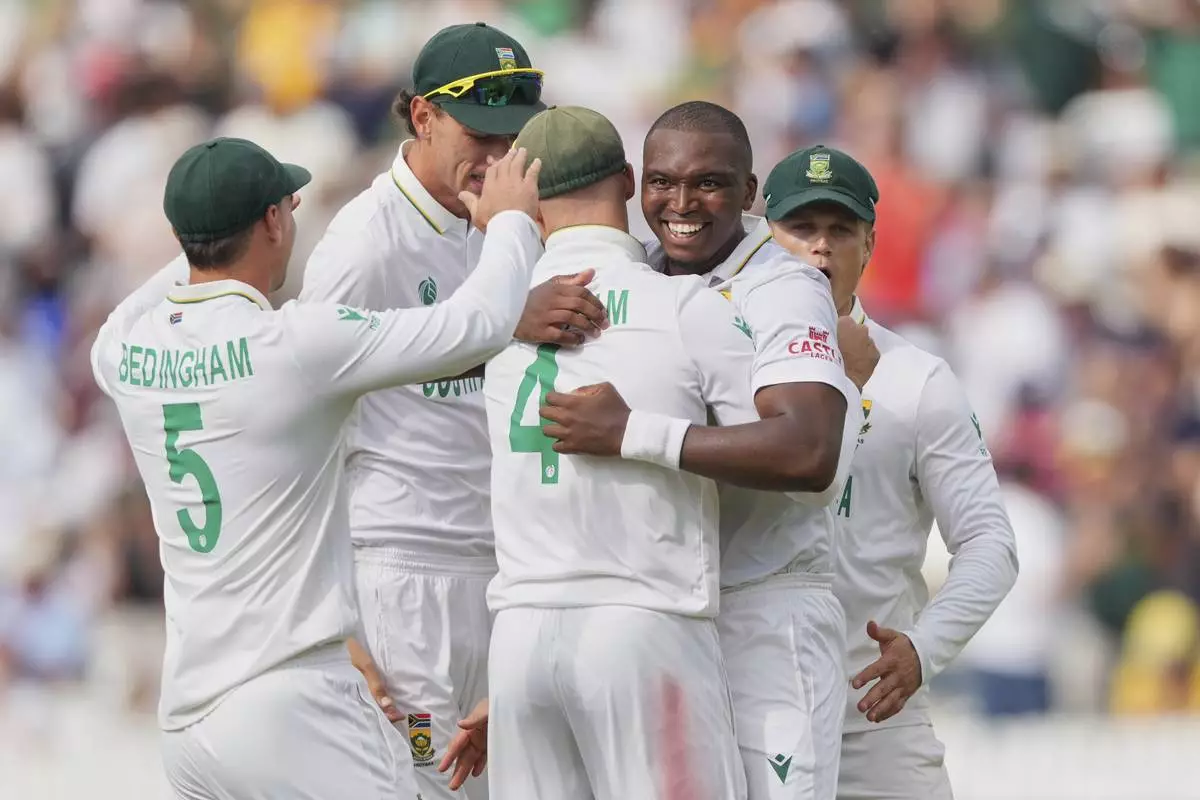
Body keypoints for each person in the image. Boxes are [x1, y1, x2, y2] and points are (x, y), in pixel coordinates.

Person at [90, 137, 545, 799]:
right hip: (292, 698)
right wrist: (508, 221)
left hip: (189, 718)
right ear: (275, 222)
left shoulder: (123, 354)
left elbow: (124, 313)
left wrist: (206, 234)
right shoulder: (295, 344)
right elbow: (477, 325)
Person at [299, 22, 606, 799]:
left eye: (516, 138)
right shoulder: (366, 245)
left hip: (508, 569)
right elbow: (301, 421)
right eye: (482, 136)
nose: (502, 159)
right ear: (422, 117)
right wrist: (336, 627)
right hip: (405, 574)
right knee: (426, 786)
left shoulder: (517, 218)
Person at [539, 103, 875, 800]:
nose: (682, 204)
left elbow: (811, 453)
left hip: (766, 612)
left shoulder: (785, 287)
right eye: (663, 183)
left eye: (709, 184)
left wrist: (633, 433)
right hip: (660, 618)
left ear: (750, 193)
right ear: (637, 187)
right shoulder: (637, 278)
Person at [761, 145, 1019, 800]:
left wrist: (923, 650)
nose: (820, 248)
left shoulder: (916, 380)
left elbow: (990, 544)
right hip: (751, 703)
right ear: (765, 237)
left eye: (839, 230)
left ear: (869, 242)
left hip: (874, 714)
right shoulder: (718, 358)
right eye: (801, 229)